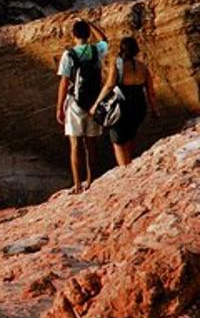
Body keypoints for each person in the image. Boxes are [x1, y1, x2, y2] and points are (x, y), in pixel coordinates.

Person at [56, 19, 108, 193]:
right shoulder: (97, 50)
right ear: (87, 34)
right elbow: (104, 39)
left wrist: (59, 108)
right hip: (94, 103)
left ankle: (77, 184)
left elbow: (64, 83)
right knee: (91, 144)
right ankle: (91, 181)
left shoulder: (69, 54)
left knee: (75, 145)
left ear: (74, 35)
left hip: (75, 104)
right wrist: (92, 24)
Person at [91, 36, 158, 167]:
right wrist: (154, 109)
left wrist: (96, 104)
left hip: (122, 106)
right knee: (129, 137)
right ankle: (130, 165)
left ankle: (124, 171)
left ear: (121, 49)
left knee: (118, 141)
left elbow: (110, 85)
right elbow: (150, 91)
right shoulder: (143, 67)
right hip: (139, 106)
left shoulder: (117, 63)